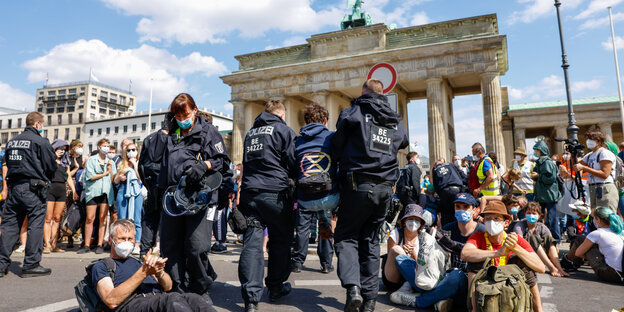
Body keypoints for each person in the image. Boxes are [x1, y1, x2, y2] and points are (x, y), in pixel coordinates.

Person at [331, 79, 409, 312]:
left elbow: (337, 145)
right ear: (382, 94)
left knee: (346, 237)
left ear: (363, 92)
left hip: (357, 185)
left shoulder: (353, 112)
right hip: (385, 188)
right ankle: (370, 299)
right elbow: (403, 142)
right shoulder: (394, 119)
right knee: (371, 240)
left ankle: (353, 288)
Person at [158, 93, 230, 300]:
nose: (182, 120)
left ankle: (200, 286)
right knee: (170, 245)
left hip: (199, 197)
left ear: (195, 110)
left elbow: (222, 161)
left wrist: (204, 165)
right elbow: (162, 164)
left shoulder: (208, 131)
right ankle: (177, 287)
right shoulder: (172, 133)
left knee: (196, 246)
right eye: (178, 116)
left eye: (185, 115)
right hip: (173, 195)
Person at [237, 99, 297, 312]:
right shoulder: (283, 130)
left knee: (252, 244)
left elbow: (245, 162)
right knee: (280, 241)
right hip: (275, 194)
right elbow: (292, 162)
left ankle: (251, 299)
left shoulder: (251, 133)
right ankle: (275, 288)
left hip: (250, 194)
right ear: (281, 115)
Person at [92, 219, 216, 312]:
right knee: (172, 301)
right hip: (133, 303)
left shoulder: (138, 261)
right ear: (111, 240)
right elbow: (111, 300)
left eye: (130, 239)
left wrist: (159, 272)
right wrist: (144, 272)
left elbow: (168, 286)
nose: (127, 242)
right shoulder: (103, 266)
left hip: (158, 299)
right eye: (122, 238)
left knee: (194, 299)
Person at [0, 112, 57, 278]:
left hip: (15, 187)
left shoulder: (11, 142)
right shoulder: (40, 141)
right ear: (38, 124)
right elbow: (50, 165)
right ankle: (31, 264)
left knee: (9, 226)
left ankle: (1, 264)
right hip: (33, 188)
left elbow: (7, 165)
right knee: (35, 225)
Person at [461, 201, 546, 312]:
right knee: (474, 262)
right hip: (486, 285)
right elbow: (465, 254)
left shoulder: (514, 239)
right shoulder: (478, 236)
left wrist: (516, 248)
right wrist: (498, 253)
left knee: (526, 267)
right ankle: (474, 309)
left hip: (510, 285)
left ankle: (539, 310)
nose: (491, 222)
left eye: (496, 219)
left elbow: (541, 268)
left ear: (506, 223)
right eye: (488, 219)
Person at [290, 103, 337, 274]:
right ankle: (326, 263)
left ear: (306, 120)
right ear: (325, 120)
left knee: (302, 228)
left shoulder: (298, 140)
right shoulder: (331, 137)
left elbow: (293, 166)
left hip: (305, 195)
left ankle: (297, 261)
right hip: (327, 194)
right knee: (325, 224)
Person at [137, 116, 170, 257]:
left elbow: (141, 166)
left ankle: (144, 251)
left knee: (149, 219)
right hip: (166, 186)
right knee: (166, 220)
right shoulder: (172, 139)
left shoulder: (149, 139)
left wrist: (147, 183)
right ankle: (163, 251)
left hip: (151, 185)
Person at [78, 139, 117, 254]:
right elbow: (90, 176)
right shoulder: (91, 160)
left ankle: (100, 244)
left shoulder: (111, 162)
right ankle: (86, 244)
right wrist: (104, 173)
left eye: (108, 146)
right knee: (90, 218)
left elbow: (112, 180)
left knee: (103, 218)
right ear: (99, 147)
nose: (106, 148)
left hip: (106, 191)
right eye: (104, 146)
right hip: (93, 192)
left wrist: (109, 170)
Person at [512, 202, 569, 277]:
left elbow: (551, 241)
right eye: (529, 213)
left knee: (549, 238)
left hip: (542, 254)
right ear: (525, 214)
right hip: (527, 254)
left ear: (539, 216)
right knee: (533, 238)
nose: (531, 215)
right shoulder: (520, 225)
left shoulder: (541, 226)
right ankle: (551, 268)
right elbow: (520, 241)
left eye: (534, 213)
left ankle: (559, 268)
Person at [570, 207, 624, 284]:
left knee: (581, 239)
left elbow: (578, 253)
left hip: (611, 275)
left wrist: (589, 258)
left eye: (594, 218)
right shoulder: (620, 231)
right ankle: (569, 262)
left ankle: (568, 262)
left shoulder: (597, 233)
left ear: (598, 220)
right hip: (621, 273)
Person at [43, 139, 77, 253]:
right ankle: (47, 244)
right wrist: (53, 156)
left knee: (57, 218)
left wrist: (74, 191)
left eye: (64, 149)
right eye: (60, 148)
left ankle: (54, 244)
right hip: (50, 189)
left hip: (61, 189)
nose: (62, 151)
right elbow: (45, 170)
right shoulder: (48, 160)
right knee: (48, 219)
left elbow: (67, 177)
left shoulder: (65, 162)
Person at [574, 129, 618, 213]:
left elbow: (605, 174)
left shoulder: (604, 153)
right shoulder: (589, 155)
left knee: (607, 217)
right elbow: (577, 165)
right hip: (594, 188)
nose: (588, 141)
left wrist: (584, 168)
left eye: (590, 139)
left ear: (598, 140)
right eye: (587, 139)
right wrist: (573, 154)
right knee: (597, 218)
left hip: (605, 188)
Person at [114, 142, 143, 255]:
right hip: (123, 192)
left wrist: (135, 165)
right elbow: (115, 180)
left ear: (137, 151)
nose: (131, 152)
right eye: (129, 150)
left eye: (133, 150)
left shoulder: (140, 163)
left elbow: (141, 179)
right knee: (122, 219)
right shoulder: (122, 164)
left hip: (136, 193)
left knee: (136, 220)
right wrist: (120, 177)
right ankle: (122, 242)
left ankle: (136, 244)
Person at [532, 140, 562, 244]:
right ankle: (544, 239)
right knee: (541, 218)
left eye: (536, 150)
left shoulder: (547, 162)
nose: (535, 152)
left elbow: (551, 178)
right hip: (542, 195)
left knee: (552, 219)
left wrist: (538, 176)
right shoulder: (540, 162)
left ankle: (556, 241)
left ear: (540, 150)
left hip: (549, 195)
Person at [432, 158, 465, 226]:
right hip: (457, 189)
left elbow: (436, 186)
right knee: (457, 209)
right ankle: (459, 227)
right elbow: (461, 174)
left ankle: (446, 230)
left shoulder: (435, 170)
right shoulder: (451, 165)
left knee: (446, 213)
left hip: (444, 191)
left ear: (435, 165)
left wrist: (440, 195)